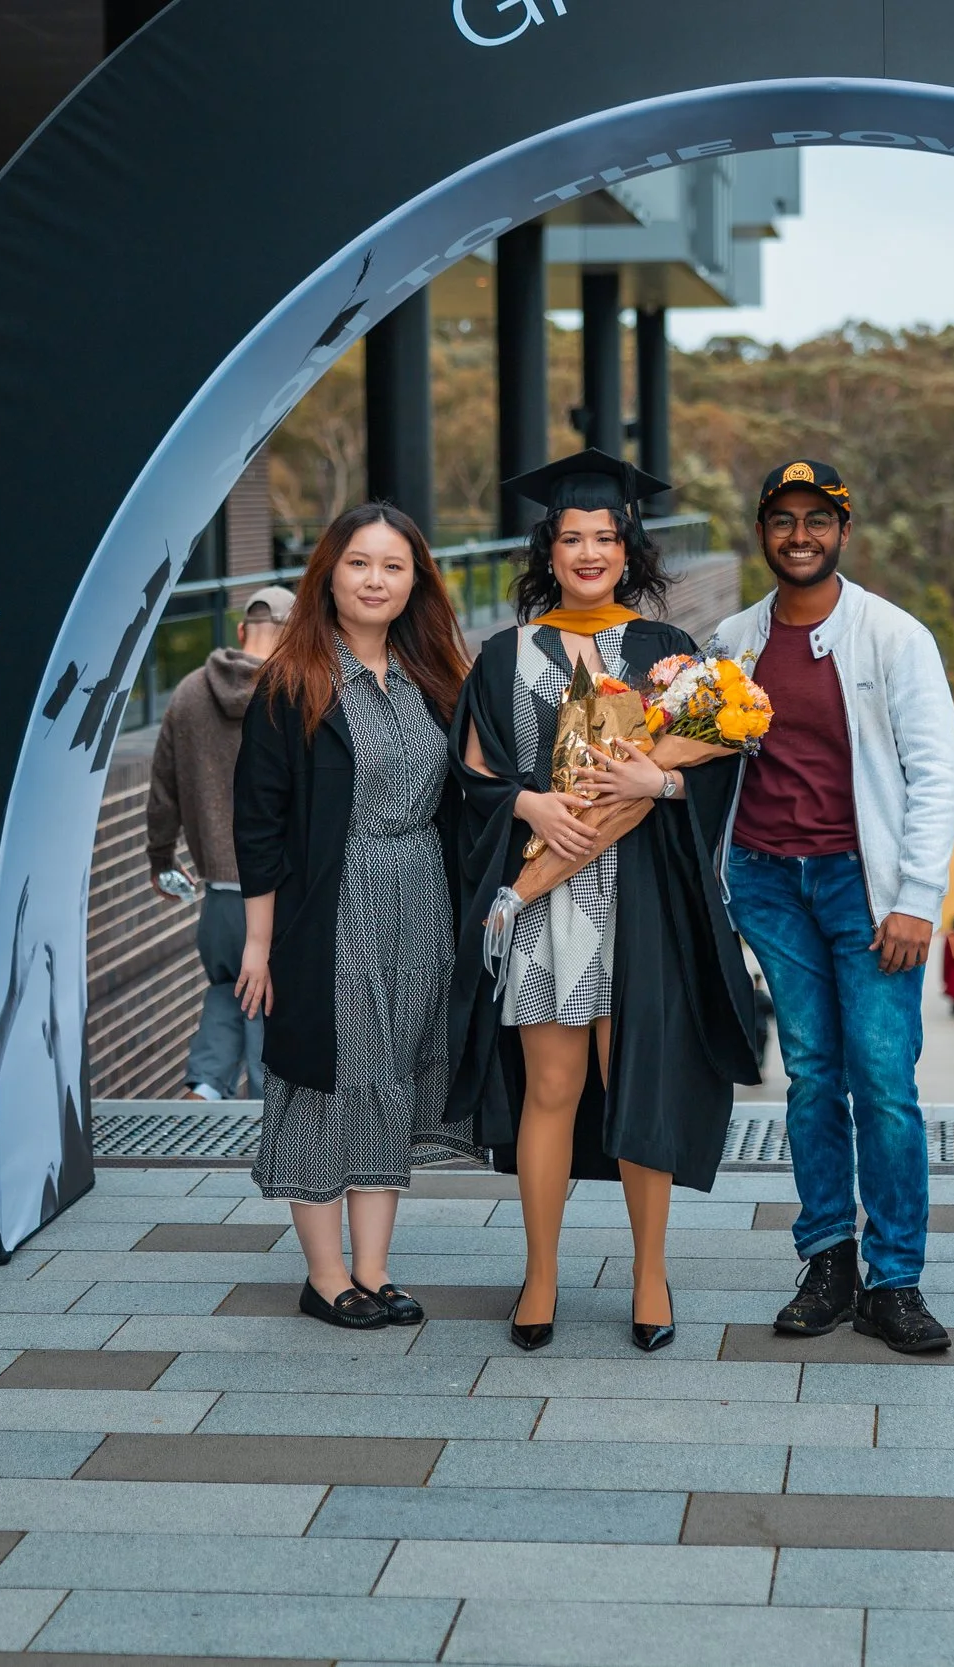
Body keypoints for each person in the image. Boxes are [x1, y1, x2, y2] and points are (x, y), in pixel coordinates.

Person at [449, 449, 758, 1354]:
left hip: (644, 896)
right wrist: (529, 802)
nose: (588, 552)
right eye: (571, 537)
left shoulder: (668, 652)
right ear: (547, 550)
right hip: (549, 901)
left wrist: (658, 785)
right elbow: (470, 773)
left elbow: (713, 766)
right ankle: (540, 1274)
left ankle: (649, 1273)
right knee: (552, 1085)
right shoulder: (505, 654)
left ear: (630, 550)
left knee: (639, 1079)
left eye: (605, 538)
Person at [715, 460, 954, 1355]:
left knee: (885, 1082)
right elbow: (700, 761)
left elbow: (938, 772)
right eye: (782, 520)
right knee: (814, 1074)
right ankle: (828, 1259)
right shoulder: (732, 641)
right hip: (770, 882)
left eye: (817, 520)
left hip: (868, 889)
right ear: (763, 533)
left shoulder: (894, 637)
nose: (800, 535)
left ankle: (895, 1279)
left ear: (843, 532)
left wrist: (917, 899)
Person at [232, 504, 474, 1331]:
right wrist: (259, 944)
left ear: (416, 582)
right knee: (326, 1084)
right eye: (360, 564)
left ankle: (373, 1269)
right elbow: (256, 823)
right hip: (328, 911)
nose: (376, 580)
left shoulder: (433, 676)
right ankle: (325, 1275)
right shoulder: (294, 681)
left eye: (394, 566)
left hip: (420, 902)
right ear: (329, 574)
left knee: (391, 1081)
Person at [147, 585, 296, 1102]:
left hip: (217, 897)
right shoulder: (294, 691)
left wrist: (160, 861)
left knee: (225, 991)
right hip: (276, 891)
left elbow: (162, 792)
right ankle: (263, 1124)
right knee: (268, 1007)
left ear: (240, 630)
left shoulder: (188, 693)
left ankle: (205, 1089)